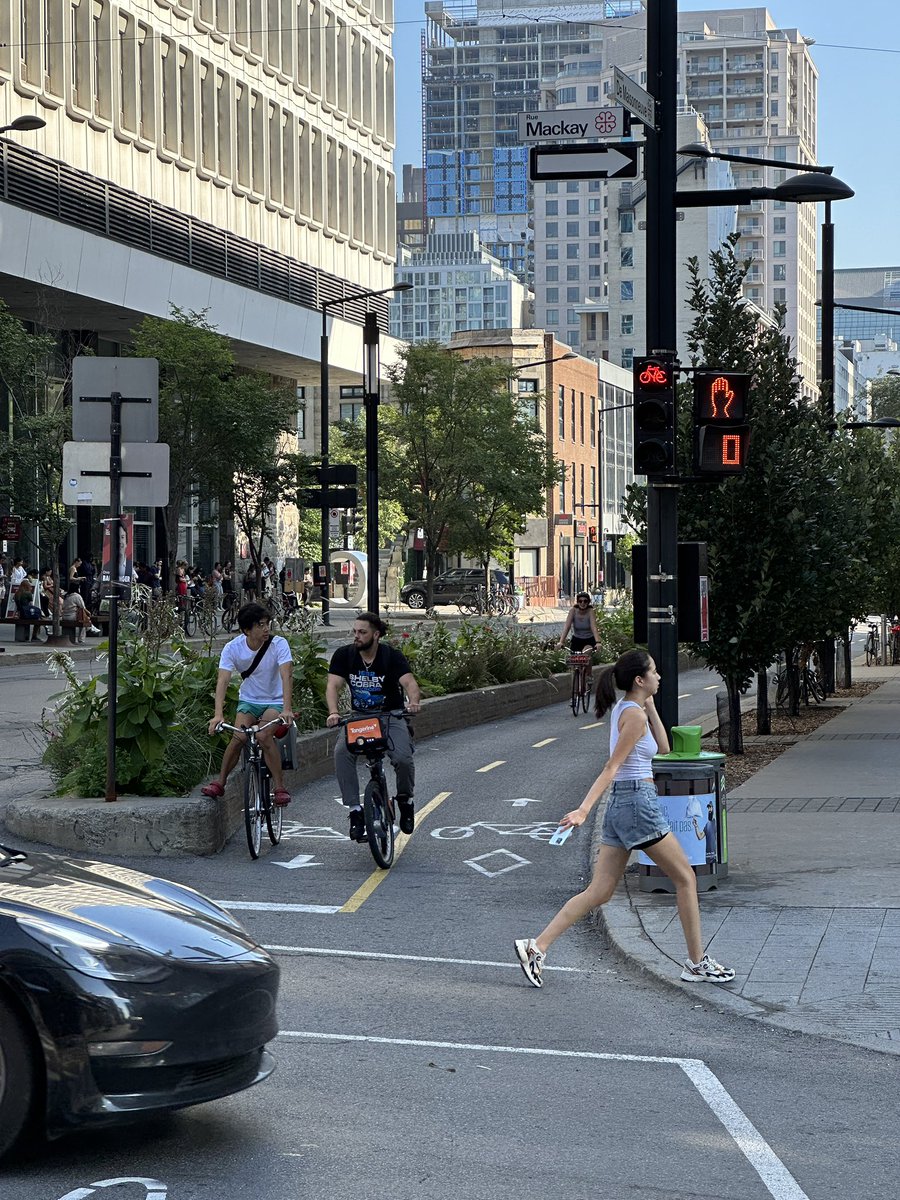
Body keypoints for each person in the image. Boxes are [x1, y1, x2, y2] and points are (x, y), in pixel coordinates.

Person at [513, 648, 735, 989]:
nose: (659, 677)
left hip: (624, 804)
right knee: (686, 878)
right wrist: (584, 809)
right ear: (639, 680)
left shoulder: (631, 709)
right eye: (654, 672)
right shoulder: (632, 716)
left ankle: (536, 947)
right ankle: (696, 963)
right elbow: (612, 766)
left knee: (600, 891)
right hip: (636, 802)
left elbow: (664, 749)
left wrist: (651, 706)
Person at [325, 612, 422, 842]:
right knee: (341, 753)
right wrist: (333, 712)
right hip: (360, 718)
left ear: (376, 635)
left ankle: (406, 801)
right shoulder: (344, 655)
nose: (356, 636)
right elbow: (333, 686)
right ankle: (355, 811)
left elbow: (409, 683)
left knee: (403, 758)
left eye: (362, 632)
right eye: (355, 631)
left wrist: (413, 702)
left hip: (390, 716)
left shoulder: (391, 657)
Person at [201, 602, 294, 806]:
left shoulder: (279, 644)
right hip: (249, 700)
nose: (266, 628)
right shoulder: (232, 648)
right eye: (260, 625)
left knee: (263, 735)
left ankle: (279, 787)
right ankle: (220, 782)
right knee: (239, 737)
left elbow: (286, 675)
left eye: (267, 623)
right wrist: (218, 715)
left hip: (275, 701)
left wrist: (287, 709)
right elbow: (223, 680)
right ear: (246, 630)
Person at [15, 572, 44, 641]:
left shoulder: (17, 593)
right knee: (39, 620)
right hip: (26, 613)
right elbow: (31, 605)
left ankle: (25, 636)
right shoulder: (28, 593)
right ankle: (34, 636)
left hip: (20, 614)